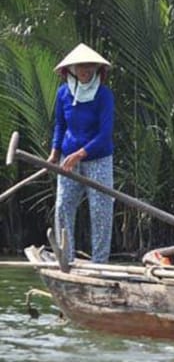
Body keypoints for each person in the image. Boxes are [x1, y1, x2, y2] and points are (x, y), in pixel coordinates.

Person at [47, 43, 116, 263]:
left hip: (98, 158)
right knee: (62, 207)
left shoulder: (104, 95)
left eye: (89, 66)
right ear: (72, 69)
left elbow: (105, 133)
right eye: (80, 66)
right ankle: (65, 258)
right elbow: (60, 125)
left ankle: (99, 264)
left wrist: (81, 154)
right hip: (68, 159)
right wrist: (54, 153)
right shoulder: (63, 93)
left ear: (96, 69)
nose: (85, 70)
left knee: (100, 211)